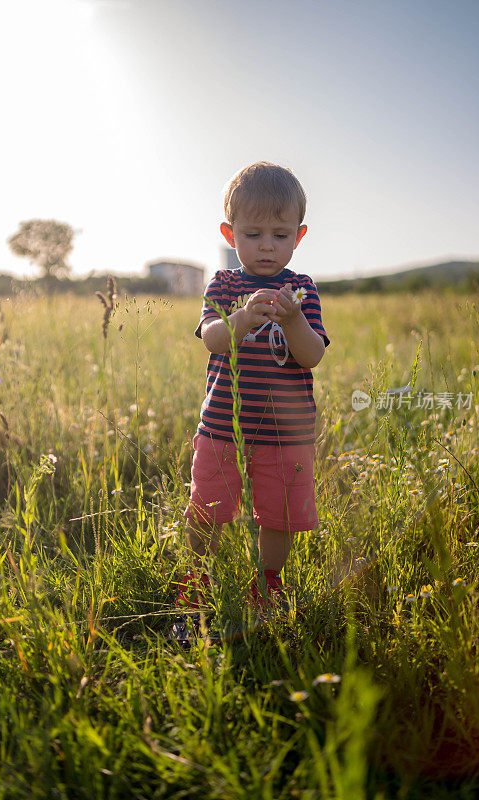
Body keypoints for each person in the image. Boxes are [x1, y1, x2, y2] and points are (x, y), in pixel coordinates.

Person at [174, 161, 330, 626]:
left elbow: (313, 355)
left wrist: (292, 320)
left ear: (298, 237)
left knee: (279, 513)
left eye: (280, 235)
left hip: (286, 430)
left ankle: (268, 581)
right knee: (208, 505)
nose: (267, 245)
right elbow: (212, 339)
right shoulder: (224, 285)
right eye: (254, 233)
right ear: (230, 233)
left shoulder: (301, 290)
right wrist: (242, 317)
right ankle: (196, 574)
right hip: (223, 422)